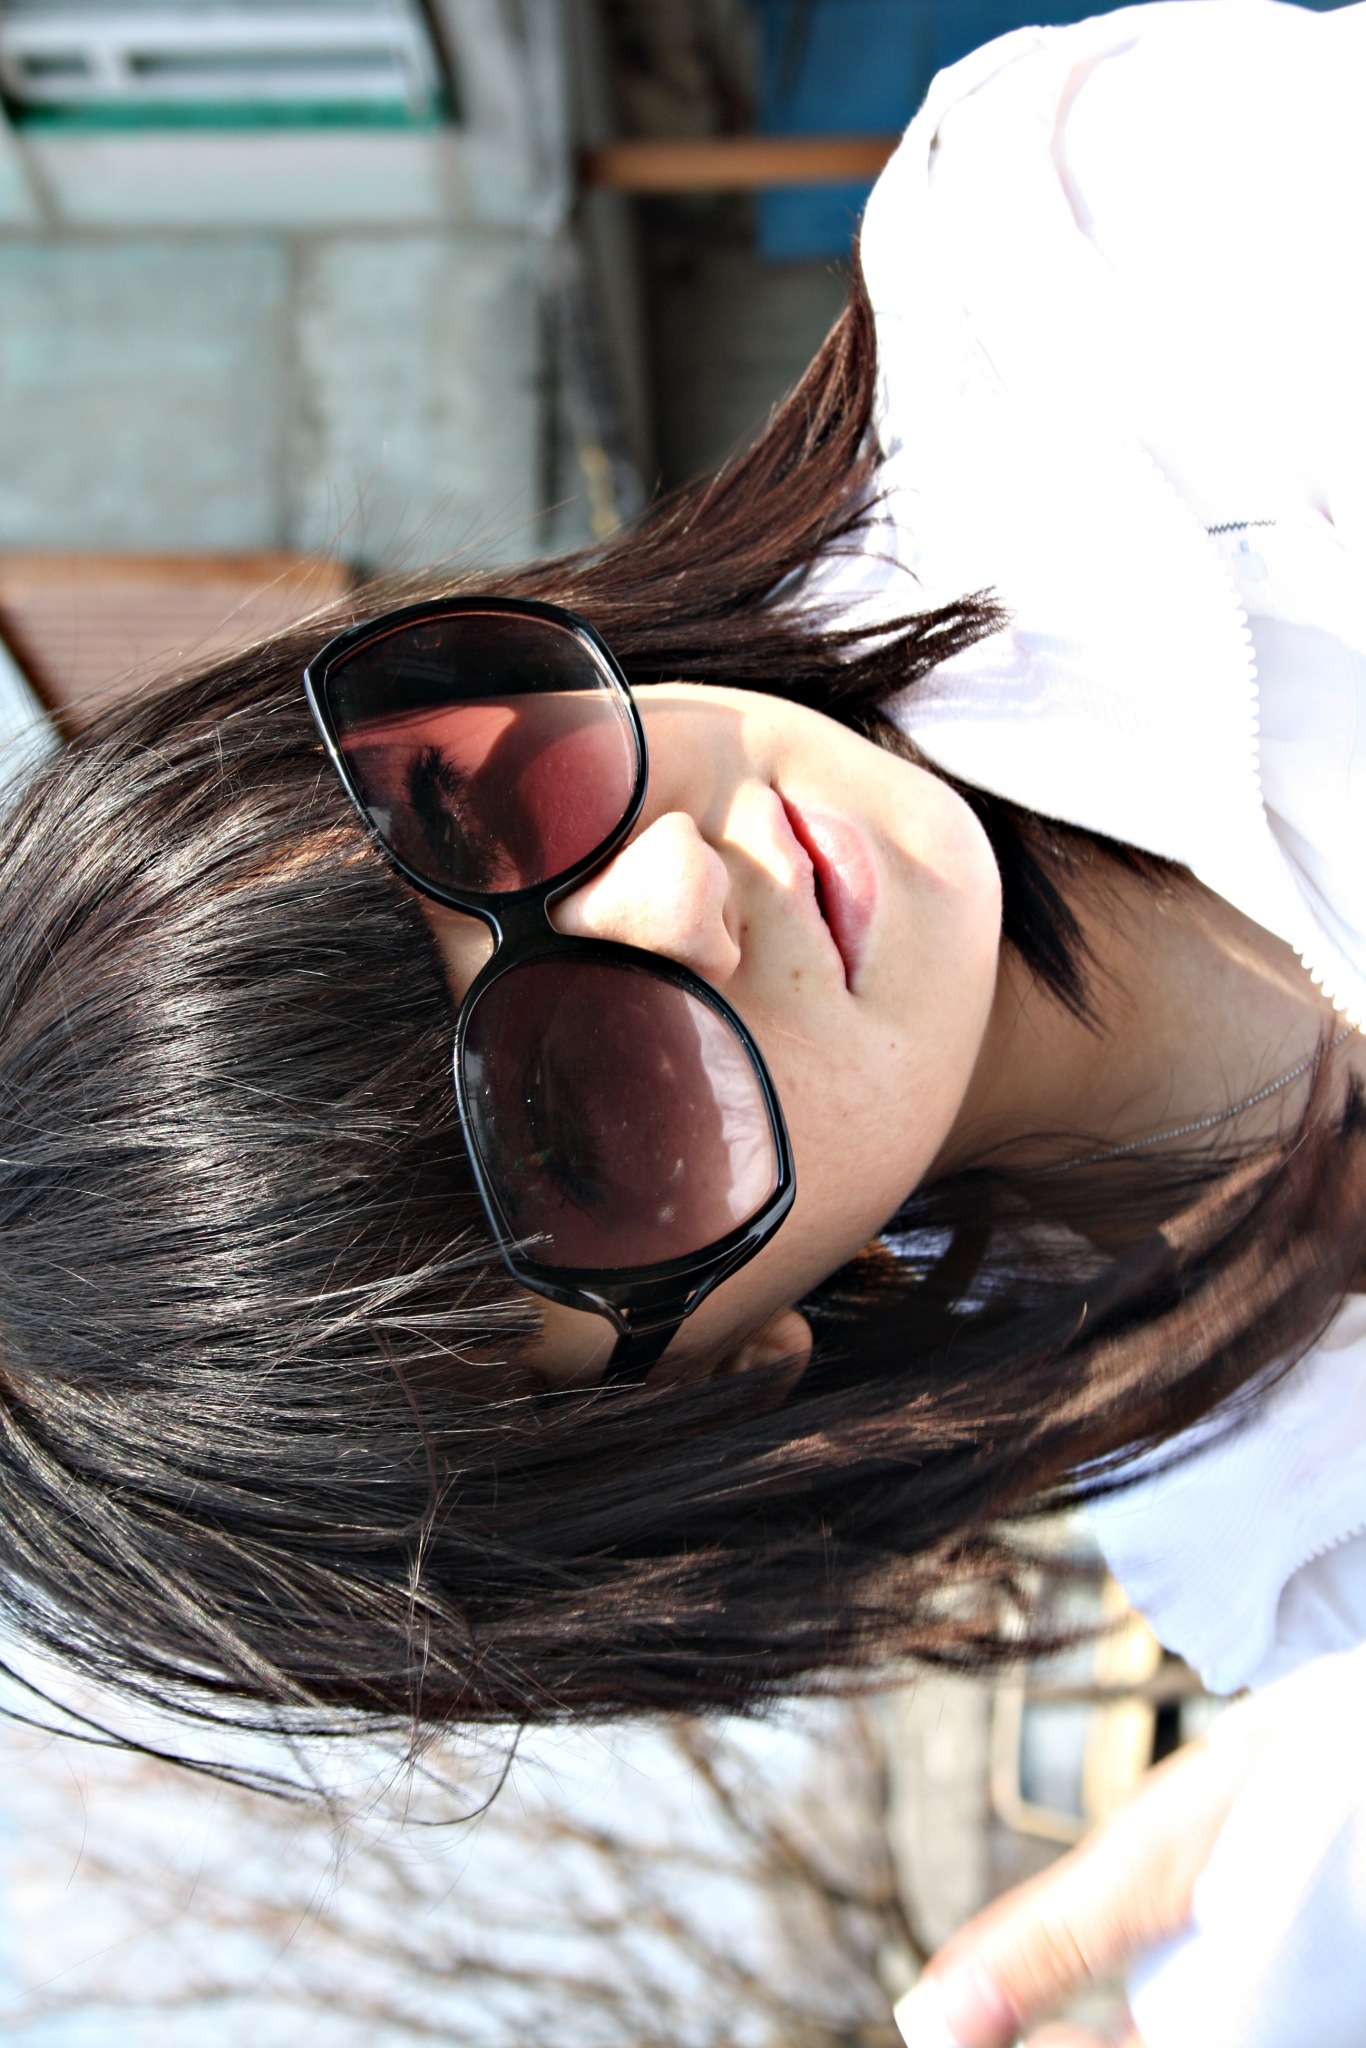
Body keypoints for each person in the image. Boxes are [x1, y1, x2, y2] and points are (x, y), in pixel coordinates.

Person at [0, 1, 1363, 2041]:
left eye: (476, 799)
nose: (675, 887)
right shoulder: (1306, 1574)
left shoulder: (1087, 280)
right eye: (594, 1115)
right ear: (711, 1370)